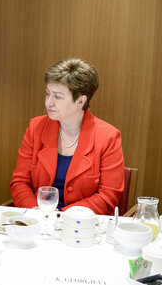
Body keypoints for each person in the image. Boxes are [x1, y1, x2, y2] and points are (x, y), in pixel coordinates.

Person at [10, 58, 124, 213]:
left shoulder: (108, 137)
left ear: (80, 101)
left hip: (82, 225)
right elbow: (20, 182)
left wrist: (63, 216)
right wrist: (35, 211)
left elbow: (107, 196)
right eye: (48, 94)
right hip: (39, 219)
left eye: (57, 96)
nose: (49, 102)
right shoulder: (36, 127)